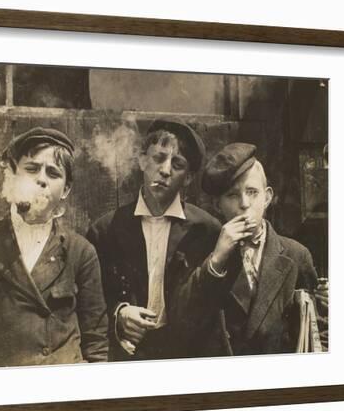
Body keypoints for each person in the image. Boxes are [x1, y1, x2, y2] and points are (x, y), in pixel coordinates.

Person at [86, 118, 221, 361]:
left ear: (188, 178)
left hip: (187, 357)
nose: (165, 170)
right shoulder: (106, 230)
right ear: (142, 160)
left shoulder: (206, 231)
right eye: (158, 158)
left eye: (177, 164)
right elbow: (92, 299)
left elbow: (212, 304)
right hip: (128, 358)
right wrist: (120, 313)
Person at [0, 127, 109, 368]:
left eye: (53, 173)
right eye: (31, 168)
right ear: (13, 175)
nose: (42, 179)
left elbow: (96, 342)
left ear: (66, 189)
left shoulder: (80, 251)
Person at [185, 142, 328, 356]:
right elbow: (187, 320)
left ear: (267, 197)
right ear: (217, 205)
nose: (244, 203)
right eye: (233, 195)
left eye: (252, 192)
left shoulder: (296, 254)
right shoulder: (204, 253)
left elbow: (319, 329)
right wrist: (216, 260)